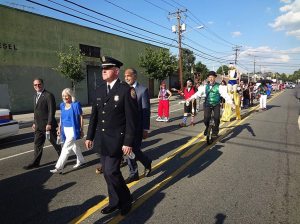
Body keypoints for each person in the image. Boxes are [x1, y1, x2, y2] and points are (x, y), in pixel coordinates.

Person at [85, 56, 138, 216]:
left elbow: (131, 120)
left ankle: (126, 199)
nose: (103, 71)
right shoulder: (99, 90)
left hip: (117, 139)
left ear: (116, 71)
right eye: (102, 69)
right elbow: (94, 115)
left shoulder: (126, 90)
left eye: (106, 69)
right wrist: (89, 136)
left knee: (110, 171)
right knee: (108, 174)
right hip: (102, 140)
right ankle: (114, 201)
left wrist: (128, 142)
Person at [23, 78, 61, 170]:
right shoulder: (35, 96)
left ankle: (62, 158)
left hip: (48, 126)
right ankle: (35, 163)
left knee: (55, 143)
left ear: (42, 84)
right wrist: (34, 122)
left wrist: (49, 123)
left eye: (39, 84)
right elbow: (36, 111)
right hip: (38, 126)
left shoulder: (48, 95)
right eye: (35, 85)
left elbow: (52, 110)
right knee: (37, 144)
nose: (37, 86)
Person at [124, 68, 152, 184]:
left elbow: (146, 111)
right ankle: (133, 173)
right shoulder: (123, 89)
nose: (126, 78)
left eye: (128, 75)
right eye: (125, 75)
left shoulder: (142, 90)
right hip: (125, 127)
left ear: (135, 76)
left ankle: (147, 162)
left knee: (134, 149)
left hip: (137, 127)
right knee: (128, 150)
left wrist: (145, 129)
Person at [188, 71, 234, 137]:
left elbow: (225, 95)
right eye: (209, 77)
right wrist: (190, 98)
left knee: (217, 118)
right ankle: (207, 127)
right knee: (206, 119)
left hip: (216, 104)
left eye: (212, 77)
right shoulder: (204, 87)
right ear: (208, 78)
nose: (211, 78)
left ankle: (215, 131)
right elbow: (197, 93)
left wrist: (231, 103)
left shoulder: (219, 86)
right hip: (207, 104)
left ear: (215, 77)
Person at [50, 88, 85, 173]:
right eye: (63, 96)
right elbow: (62, 118)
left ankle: (59, 167)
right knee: (74, 146)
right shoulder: (62, 105)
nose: (65, 97)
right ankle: (81, 160)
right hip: (65, 129)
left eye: (66, 95)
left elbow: (81, 117)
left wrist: (81, 129)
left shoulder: (76, 105)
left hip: (73, 130)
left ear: (70, 96)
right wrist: (59, 128)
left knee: (66, 147)